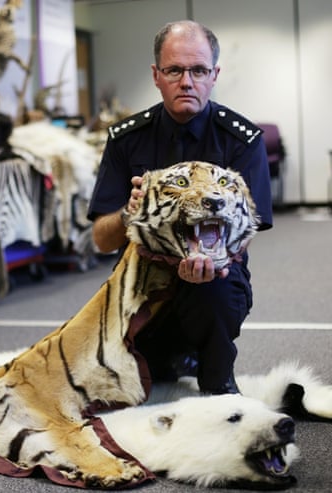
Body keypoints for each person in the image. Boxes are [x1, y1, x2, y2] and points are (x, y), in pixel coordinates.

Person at [87, 20, 273, 395]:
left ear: (214, 74)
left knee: (217, 289)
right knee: (142, 384)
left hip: (213, 281)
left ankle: (218, 375)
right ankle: (168, 355)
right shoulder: (127, 139)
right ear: (156, 75)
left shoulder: (242, 139)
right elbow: (101, 241)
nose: (186, 81)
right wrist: (129, 212)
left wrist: (212, 255)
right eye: (174, 70)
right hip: (140, 284)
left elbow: (247, 232)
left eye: (198, 70)